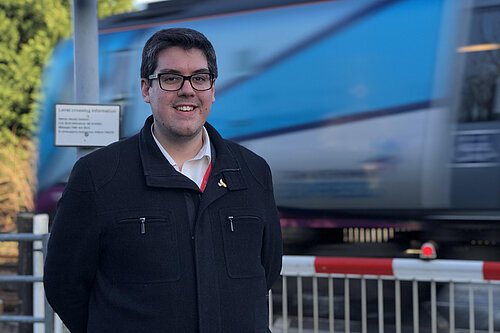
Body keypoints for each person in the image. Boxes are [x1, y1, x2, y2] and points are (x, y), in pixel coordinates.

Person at [43, 28, 283, 333]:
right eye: (171, 78)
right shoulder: (98, 176)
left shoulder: (252, 172)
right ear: (146, 89)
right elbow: (64, 283)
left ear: (212, 89)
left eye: (200, 78)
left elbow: (268, 267)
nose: (187, 90)